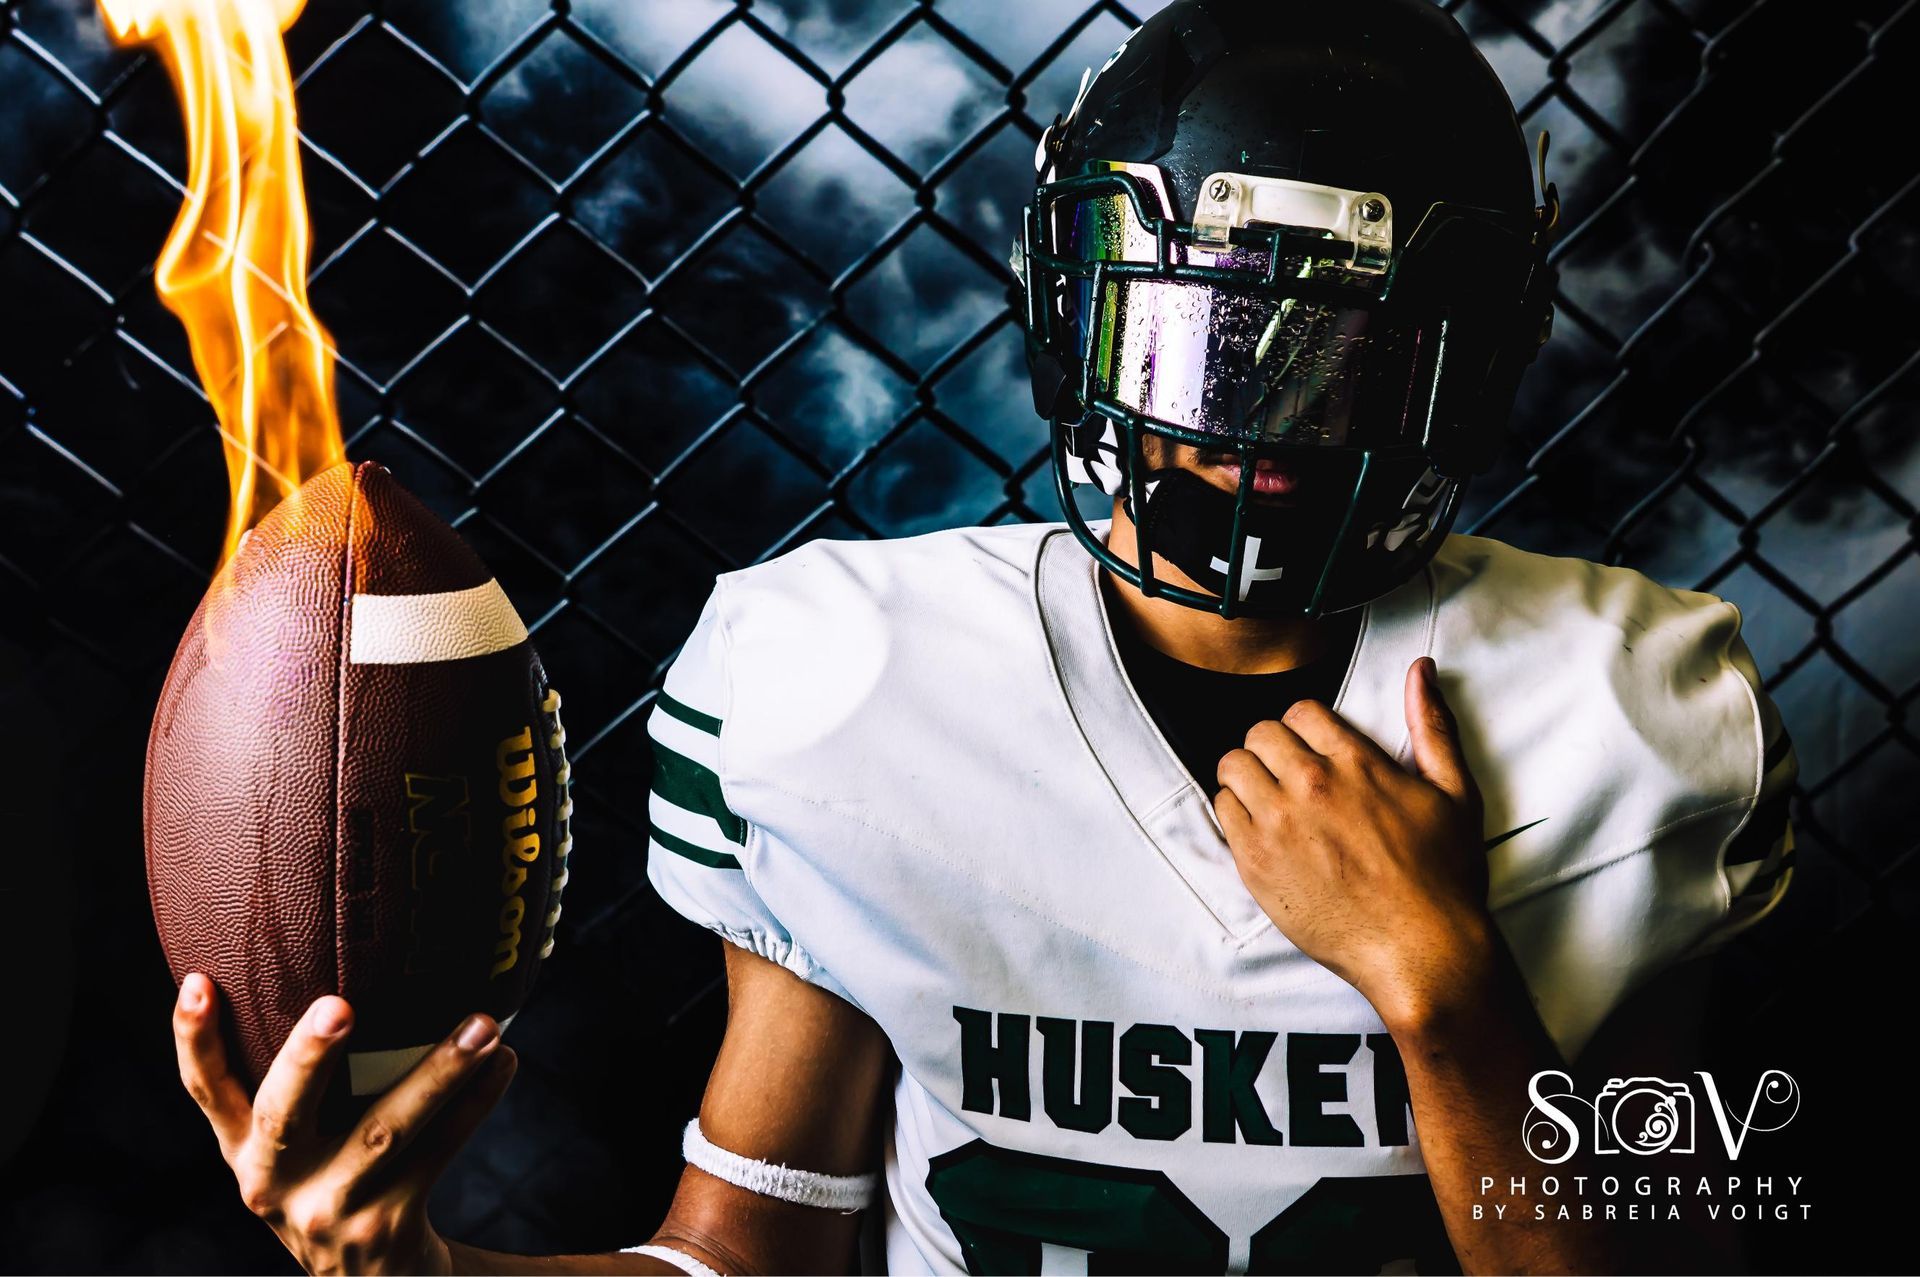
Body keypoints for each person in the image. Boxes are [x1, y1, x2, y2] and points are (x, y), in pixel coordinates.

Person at [171, 2, 1797, 1273]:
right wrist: (422, 1271)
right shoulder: (846, 688)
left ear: (1466, 363)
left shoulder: (1631, 716)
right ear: (1076, 304)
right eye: (1204, 342)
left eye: (1333, 365)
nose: (1249, 434)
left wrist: (1442, 986)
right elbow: (746, 1254)